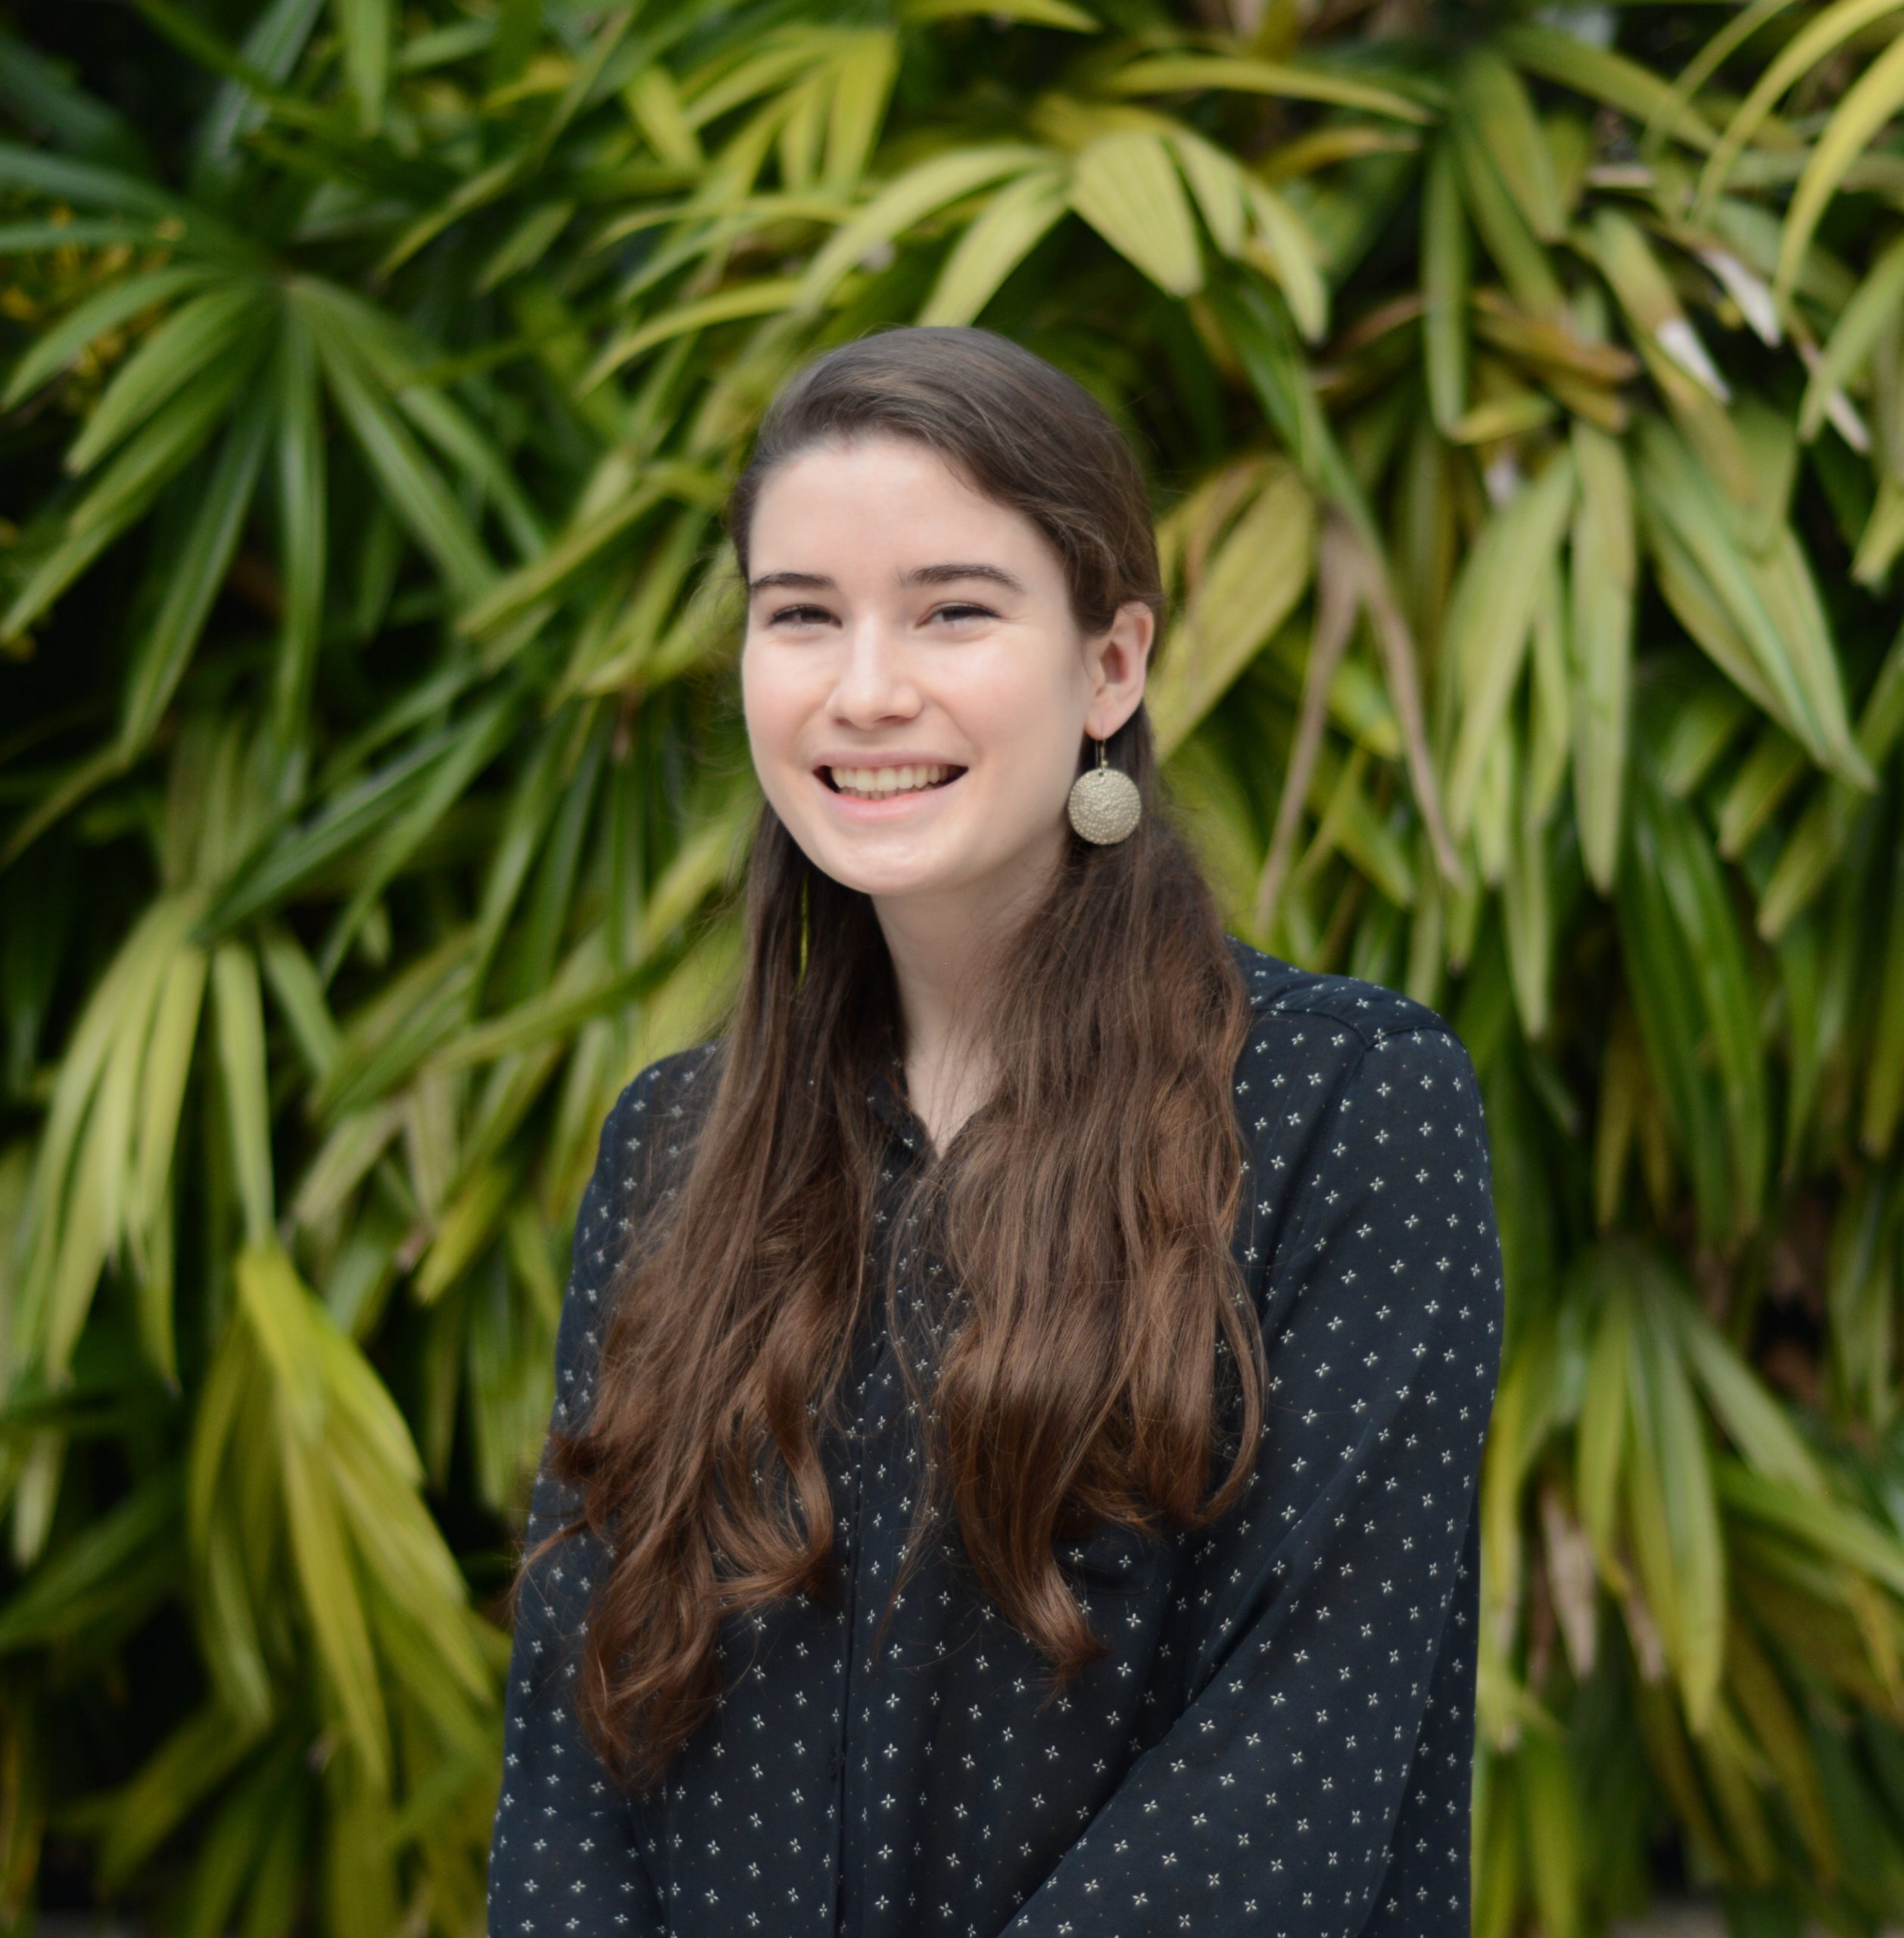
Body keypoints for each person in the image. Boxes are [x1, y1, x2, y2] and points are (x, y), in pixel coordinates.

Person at [487, 326, 1501, 1938]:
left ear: (1111, 663)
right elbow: (572, 1755)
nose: (864, 685)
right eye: (799, 614)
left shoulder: (1344, 1106)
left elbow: (1296, 1753)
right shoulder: (669, 1149)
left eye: (953, 608)